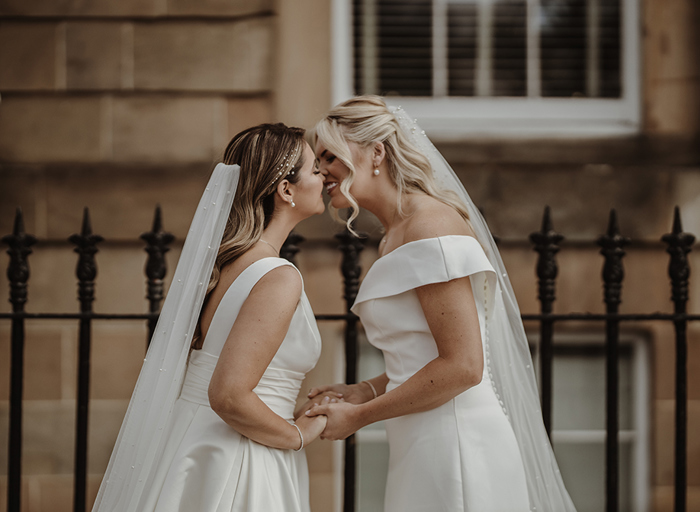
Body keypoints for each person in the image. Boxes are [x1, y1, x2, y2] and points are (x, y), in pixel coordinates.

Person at [306, 96, 577, 512]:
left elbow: (464, 366)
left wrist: (361, 417)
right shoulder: (393, 234)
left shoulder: (429, 225)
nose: (321, 170)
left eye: (329, 156)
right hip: (419, 441)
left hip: (457, 443)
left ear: (376, 151)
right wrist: (363, 390)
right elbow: (422, 356)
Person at [93, 123, 332, 512]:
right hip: (241, 458)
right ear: (286, 190)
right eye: (315, 171)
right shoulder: (277, 276)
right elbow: (229, 395)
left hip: (191, 443)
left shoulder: (226, 263)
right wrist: (298, 434)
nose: (323, 178)